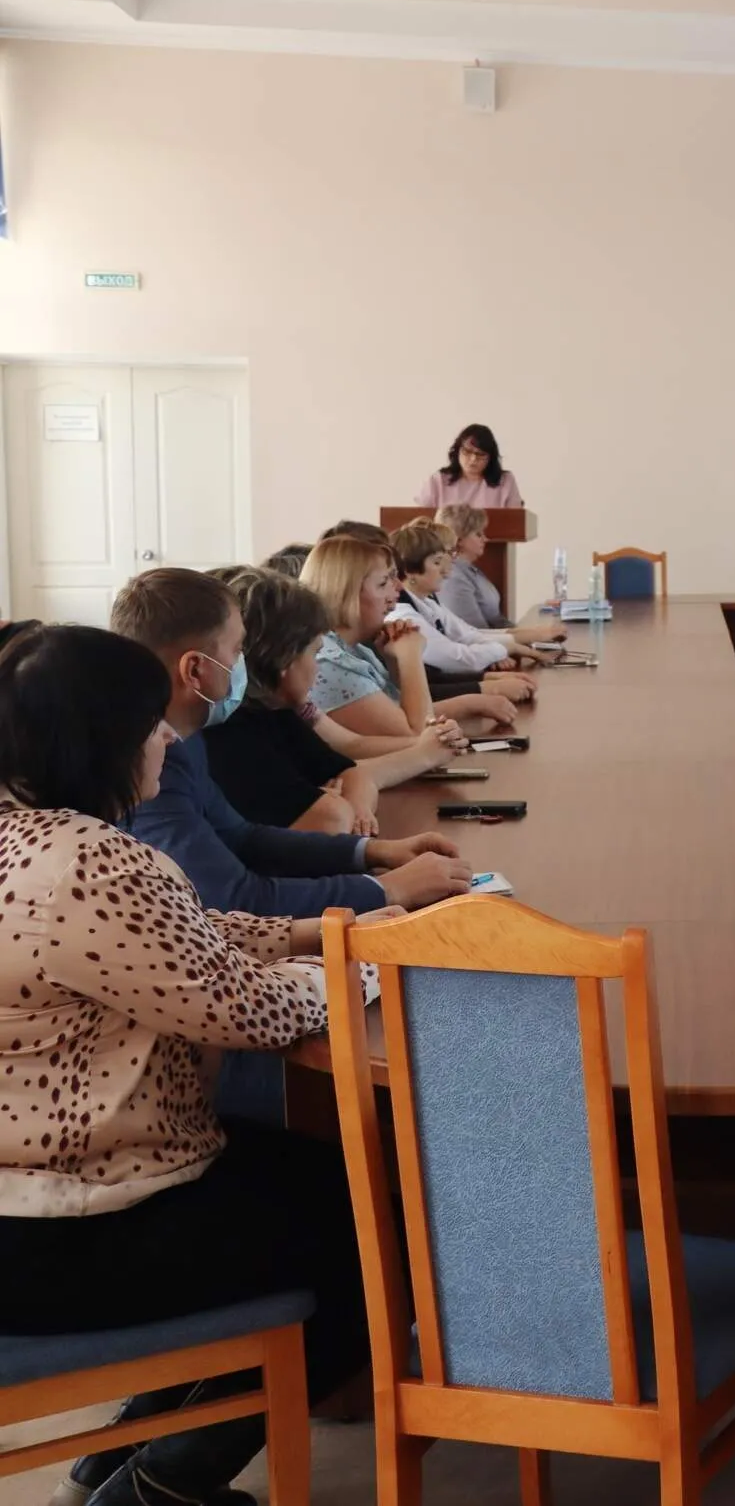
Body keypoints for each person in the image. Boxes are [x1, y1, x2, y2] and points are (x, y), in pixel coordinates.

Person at [0, 626, 371, 1506]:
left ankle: (124, 1459)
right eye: (150, 722)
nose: (168, 736)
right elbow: (246, 1010)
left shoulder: (26, 839)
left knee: (320, 1181)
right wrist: (351, 970)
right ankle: (163, 1486)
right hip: (70, 1230)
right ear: (104, 739)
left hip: (35, 1201)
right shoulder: (95, 863)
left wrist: (317, 932)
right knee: (373, 1226)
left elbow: (177, 940)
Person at [111, 567, 472, 916]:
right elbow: (234, 899)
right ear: (194, 670)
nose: (244, 663)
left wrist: (373, 852)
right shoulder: (144, 761)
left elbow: (242, 838)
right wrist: (389, 889)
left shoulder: (181, 739)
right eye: (237, 650)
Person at [204, 566, 461, 835]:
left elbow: (353, 774)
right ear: (284, 659)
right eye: (314, 654)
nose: (318, 667)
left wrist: (351, 803)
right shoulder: (233, 730)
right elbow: (329, 821)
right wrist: (337, 805)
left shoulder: (276, 711)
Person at [301, 535, 517, 748]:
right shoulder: (332, 662)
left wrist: (393, 660)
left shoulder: (354, 650)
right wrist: (410, 654)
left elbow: (401, 711)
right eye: (383, 583)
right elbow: (419, 733)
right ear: (345, 594)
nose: (397, 588)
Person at [386, 521, 548, 694]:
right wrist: (505, 650)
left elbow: (469, 635)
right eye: (437, 562)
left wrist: (491, 669)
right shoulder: (404, 616)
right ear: (409, 570)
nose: (444, 571)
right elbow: (459, 659)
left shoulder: (428, 603)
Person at [433, 504, 507, 632]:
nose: (485, 539)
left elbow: (497, 620)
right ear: (459, 539)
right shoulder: (453, 577)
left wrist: (530, 632)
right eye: (478, 534)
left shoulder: (470, 569)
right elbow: (472, 632)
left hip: (496, 638)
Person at [415, 422, 522, 511]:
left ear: (490, 457)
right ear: (457, 450)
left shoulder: (506, 481)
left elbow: (517, 521)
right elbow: (419, 521)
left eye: (480, 454)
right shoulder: (437, 480)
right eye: (467, 451)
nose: (473, 459)